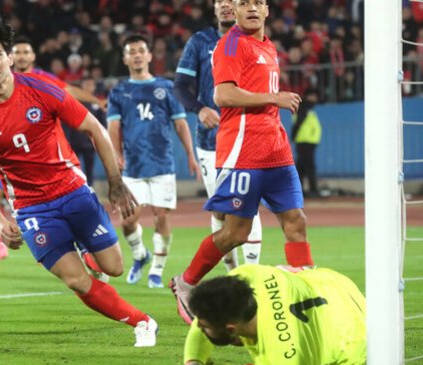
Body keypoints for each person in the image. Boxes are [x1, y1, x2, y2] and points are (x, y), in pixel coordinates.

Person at [0, 16, 157, 346]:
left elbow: (95, 128)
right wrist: (0, 219)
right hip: (32, 208)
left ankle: (84, 246)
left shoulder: (42, 89)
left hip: (73, 191)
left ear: (9, 58)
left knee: (114, 267)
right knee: (76, 280)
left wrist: (115, 182)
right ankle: (143, 322)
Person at [170, 0, 313, 325]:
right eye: (243, 2)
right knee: (235, 232)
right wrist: (273, 98)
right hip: (243, 152)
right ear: (233, 11)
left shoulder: (268, 46)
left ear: (266, 11)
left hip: (276, 150)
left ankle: (306, 296)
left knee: (297, 221)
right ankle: (186, 283)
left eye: (258, 2)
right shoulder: (230, 45)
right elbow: (223, 95)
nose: (251, 7)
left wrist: (273, 109)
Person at [0, 36, 105, 266]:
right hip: (6, 150)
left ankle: (82, 243)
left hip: (47, 154)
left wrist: (97, 101)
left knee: (66, 200)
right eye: (19, 51)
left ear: (30, 57)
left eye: (26, 52)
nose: (22, 56)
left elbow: (69, 90)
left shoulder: (41, 79)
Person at [174, 0, 262, 271]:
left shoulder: (254, 41)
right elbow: (180, 86)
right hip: (211, 140)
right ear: (214, 7)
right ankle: (231, 272)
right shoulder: (201, 42)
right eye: (220, 1)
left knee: (249, 206)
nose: (226, 5)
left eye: (232, 1)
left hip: (247, 135)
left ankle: (250, 274)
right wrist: (199, 110)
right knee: (220, 209)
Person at [107, 34, 200, 289]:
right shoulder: (118, 91)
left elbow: (180, 123)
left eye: (141, 50)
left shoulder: (166, 87)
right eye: (131, 51)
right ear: (126, 58)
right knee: (127, 221)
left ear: (149, 56)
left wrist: (191, 155)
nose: (137, 55)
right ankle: (140, 255)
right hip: (133, 167)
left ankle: (157, 271)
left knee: (161, 216)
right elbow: (113, 127)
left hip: (162, 163)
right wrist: (116, 155)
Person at [183, 265, 366, 365]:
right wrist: (194, 360)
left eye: (204, 326)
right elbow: (207, 310)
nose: (198, 326)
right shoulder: (248, 275)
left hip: (355, 338)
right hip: (332, 283)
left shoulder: (281, 355)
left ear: (232, 328)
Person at [292, 90, 321, 198]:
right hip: (305, 141)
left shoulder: (307, 108)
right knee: (309, 166)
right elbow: (299, 122)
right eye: (313, 96)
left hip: (307, 141)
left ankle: (299, 190)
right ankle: (312, 190)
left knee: (302, 167)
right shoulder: (304, 108)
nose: (315, 99)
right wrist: (294, 135)